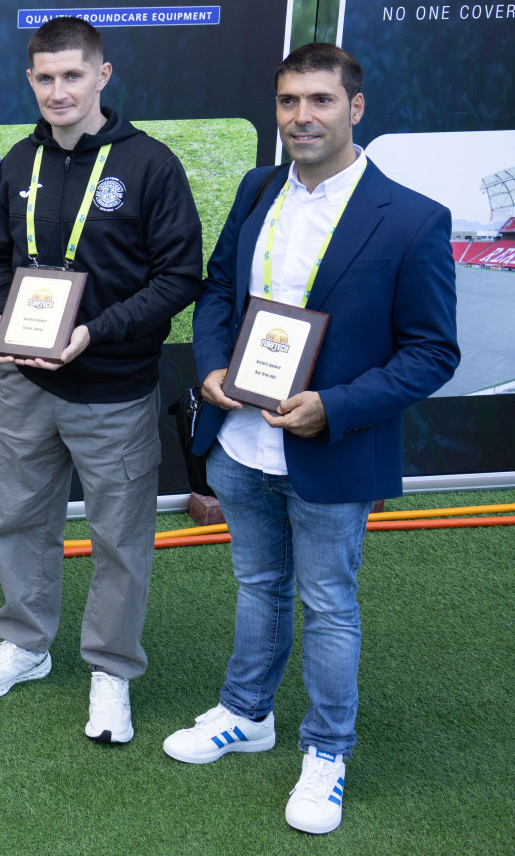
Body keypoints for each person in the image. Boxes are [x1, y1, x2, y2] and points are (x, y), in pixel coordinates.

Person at [170, 43, 459, 834]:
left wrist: (332, 406)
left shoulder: (412, 218)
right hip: (241, 441)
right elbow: (220, 290)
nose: (302, 116)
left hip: (331, 446)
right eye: (289, 100)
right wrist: (211, 367)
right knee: (258, 585)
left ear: (355, 108)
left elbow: (433, 352)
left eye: (321, 101)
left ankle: (327, 752)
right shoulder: (257, 187)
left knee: (328, 604)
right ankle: (246, 713)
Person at [0, 16, 201, 742]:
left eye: (73, 75)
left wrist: (96, 331)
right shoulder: (19, 161)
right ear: (30, 80)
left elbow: (179, 277)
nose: (58, 90)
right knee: (21, 521)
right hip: (26, 385)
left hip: (113, 389)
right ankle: (27, 644)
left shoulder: (149, 164)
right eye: (45, 77)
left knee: (119, 540)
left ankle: (110, 669)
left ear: (103, 75)